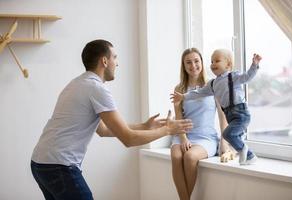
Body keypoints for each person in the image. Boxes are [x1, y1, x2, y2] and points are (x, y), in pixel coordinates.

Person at [30, 39, 193, 200]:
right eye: (115, 57)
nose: (117, 63)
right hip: (59, 166)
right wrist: (168, 130)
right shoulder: (97, 89)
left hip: (40, 163)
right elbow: (128, 139)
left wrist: (144, 126)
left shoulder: (77, 83)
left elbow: (103, 130)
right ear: (104, 61)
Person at [171, 48, 262, 166]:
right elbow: (198, 93)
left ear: (228, 64)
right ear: (183, 66)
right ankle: (246, 154)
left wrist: (254, 65)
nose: (213, 64)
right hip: (227, 115)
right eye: (212, 61)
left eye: (217, 61)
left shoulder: (232, 77)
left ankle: (247, 153)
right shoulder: (212, 84)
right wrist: (183, 96)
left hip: (239, 112)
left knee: (229, 135)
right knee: (231, 134)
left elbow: (247, 77)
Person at [170, 48, 234, 200]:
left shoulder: (213, 86)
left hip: (206, 137)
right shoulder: (179, 89)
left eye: (196, 61)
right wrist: (184, 138)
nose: (193, 65)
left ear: (202, 63)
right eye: (189, 62)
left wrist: (224, 143)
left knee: (190, 157)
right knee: (176, 155)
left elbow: (222, 116)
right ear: (184, 66)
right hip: (183, 135)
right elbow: (178, 117)